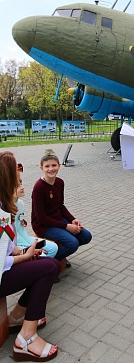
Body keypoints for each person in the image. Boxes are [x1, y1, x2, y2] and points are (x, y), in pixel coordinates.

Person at [0, 151, 60, 361]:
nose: (20, 175)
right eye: (16, 171)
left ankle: (17, 318)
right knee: (49, 267)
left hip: (4, 268)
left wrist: (23, 251)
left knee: (45, 263)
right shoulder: (0, 212)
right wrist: (23, 258)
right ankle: (26, 338)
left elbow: (5, 246)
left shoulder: (4, 207)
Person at [31, 149, 92, 264]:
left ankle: (60, 255)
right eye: (47, 166)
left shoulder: (59, 182)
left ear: (59, 166)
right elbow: (41, 218)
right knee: (72, 243)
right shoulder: (38, 188)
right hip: (43, 225)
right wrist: (66, 226)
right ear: (41, 168)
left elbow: (60, 205)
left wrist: (73, 219)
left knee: (86, 236)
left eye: (54, 165)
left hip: (58, 220)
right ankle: (47, 264)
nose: (51, 169)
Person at [14, 165, 58, 258]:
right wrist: (27, 247)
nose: (22, 187)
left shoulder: (20, 203)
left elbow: (21, 228)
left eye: (21, 183)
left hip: (23, 238)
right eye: (17, 186)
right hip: (14, 244)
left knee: (53, 248)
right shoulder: (4, 208)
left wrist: (31, 242)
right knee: (42, 255)